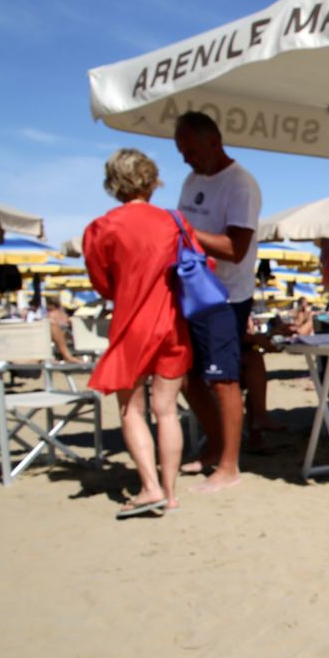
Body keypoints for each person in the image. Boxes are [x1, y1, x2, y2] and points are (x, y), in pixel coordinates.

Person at [82, 149, 193, 518]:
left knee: (132, 410)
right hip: (173, 324)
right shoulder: (175, 222)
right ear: (151, 179)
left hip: (132, 325)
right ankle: (172, 494)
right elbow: (198, 267)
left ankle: (150, 487)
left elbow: (103, 286)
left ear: (113, 183)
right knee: (167, 412)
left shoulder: (102, 228)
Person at [173, 110, 261, 492]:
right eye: (181, 152)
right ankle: (215, 446)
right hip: (194, 291)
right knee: (187, 376)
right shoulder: (192, 179)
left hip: (226, 296)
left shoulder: (241, 184)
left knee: (224, 379)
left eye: (190, 150)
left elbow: (237, 249)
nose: (185, 158)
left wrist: (185, 230)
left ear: (214, 143)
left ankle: (229, 465)